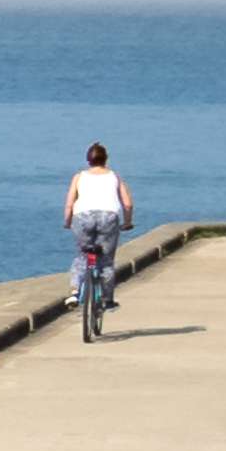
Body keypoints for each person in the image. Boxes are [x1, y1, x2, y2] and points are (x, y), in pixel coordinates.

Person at [63, 141, 134, 336]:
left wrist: (68, 222)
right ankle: (107, 299)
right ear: (106, 160)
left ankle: (75, 293)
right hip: (108, 218)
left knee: (81, 256)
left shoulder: (79, 177)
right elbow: (127, 204)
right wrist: (127, 223)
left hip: (82, 218)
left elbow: (70, 203)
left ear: (88, 160)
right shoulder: (114, 177)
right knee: (106, 261)